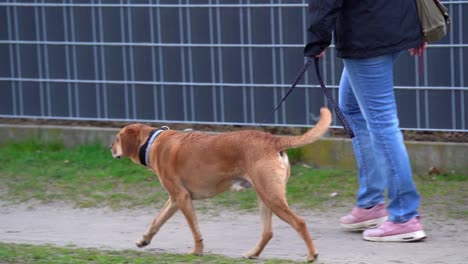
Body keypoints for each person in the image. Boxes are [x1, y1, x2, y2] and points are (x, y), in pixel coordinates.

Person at [304, 0, 427, 242]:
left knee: (382, 124)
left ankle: (404, 217)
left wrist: (317, 38)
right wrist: (416, 28)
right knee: (351, 108)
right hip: (391, 26)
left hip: (366, 34)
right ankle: (371, 204)